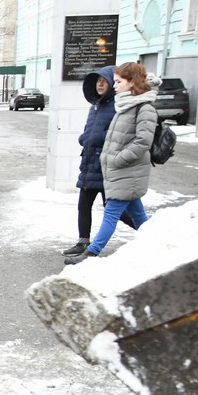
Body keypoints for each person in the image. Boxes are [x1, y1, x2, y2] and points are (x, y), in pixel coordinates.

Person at [65, 62, 155, 265]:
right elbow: (104, 134)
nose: (114, 86)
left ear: (132, 82)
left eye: (118, 81)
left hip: (125, 170)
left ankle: (91, 252)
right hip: (111, 168)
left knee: (112, 213)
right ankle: (159, 242)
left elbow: (142, 142)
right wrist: (86, 141)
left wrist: (116, 159)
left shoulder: (142, 107)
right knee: (138, 216)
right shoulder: (124, 105)